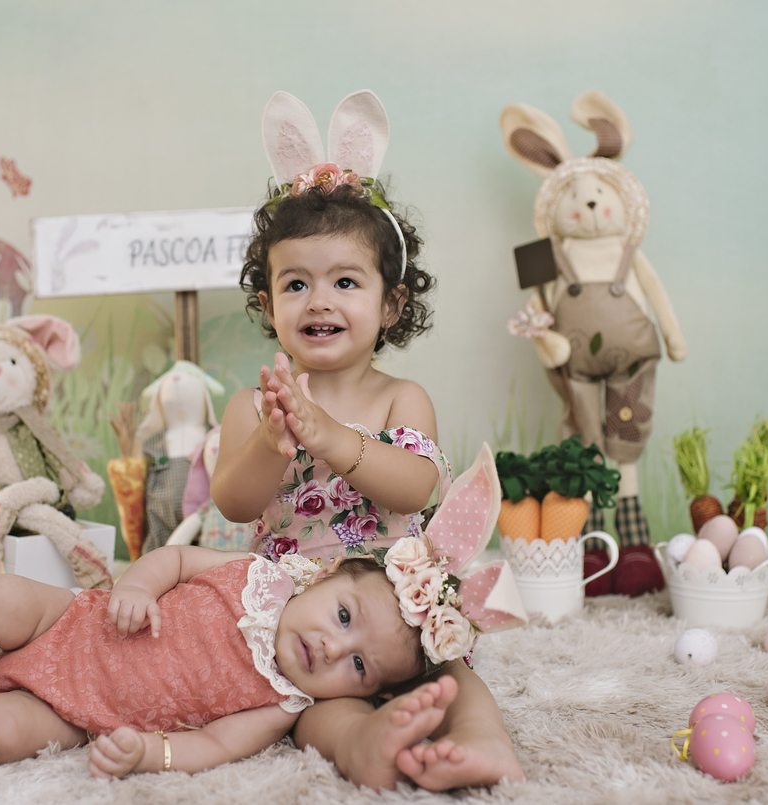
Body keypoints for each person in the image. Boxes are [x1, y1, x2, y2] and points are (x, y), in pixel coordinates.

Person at [211, 90, 526, 790]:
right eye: (296, 284)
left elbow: (417, 487)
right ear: (267, 304)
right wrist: (270, 440)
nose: (319, 300)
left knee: (449, 670)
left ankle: (483, 739)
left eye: (345, 281)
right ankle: (365, 743)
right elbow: (234, 504)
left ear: (391, 303)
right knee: (305, 709)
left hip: (393, 602)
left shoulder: (399, 398)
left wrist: (331, 437)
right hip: (300, 614)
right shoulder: (254, 406)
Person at [0, 544, 458, 778]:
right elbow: (176, 558)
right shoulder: (259, 573)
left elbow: (213, 747)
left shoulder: (280, 703)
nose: (335, 648)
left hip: (71, 711)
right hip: (70, 620)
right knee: (1, 594)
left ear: (363, 694)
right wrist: (138, 586)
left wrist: (150, 753)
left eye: (359, 667)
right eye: (343, 617)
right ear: (327, 577)